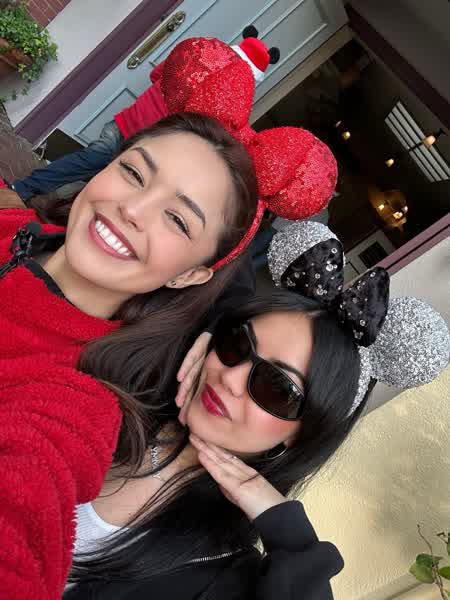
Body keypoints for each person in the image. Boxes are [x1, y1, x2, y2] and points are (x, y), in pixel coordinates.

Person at [0, 106, 339, 598]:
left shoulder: (79, 400)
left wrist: (290, 534)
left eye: (178, 220)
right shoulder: (15, 224)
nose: (133, 209)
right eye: (134, 172)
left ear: (191, 275)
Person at [60, 221, 449, 599]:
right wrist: (211, 326)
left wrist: (287, 530)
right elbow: (220, 238)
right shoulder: (120, 388)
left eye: (275, 387)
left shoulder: (222, 570)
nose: (230, 378)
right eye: (237, 345)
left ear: (303, 434)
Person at [1, 27, 280, 204]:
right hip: (142, 139)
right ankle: (28, 191)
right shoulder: (224, 102)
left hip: (131, 128)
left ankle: (37, 196)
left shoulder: (194, 61)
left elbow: (156, 74)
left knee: (92, 170)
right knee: (99, 173)